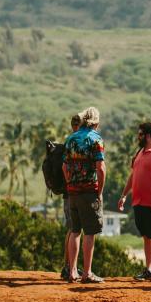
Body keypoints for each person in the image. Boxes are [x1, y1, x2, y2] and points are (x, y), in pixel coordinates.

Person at [117, 120, 151, 281]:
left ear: (147, 135)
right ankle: (148, 269)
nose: (137, 137)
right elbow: (133, 176)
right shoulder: (139, 153)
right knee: (146, 236)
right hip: (138, 202)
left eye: (140, 134)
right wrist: (124, 195)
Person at [63, 106, 106, 283]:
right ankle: (87, 273)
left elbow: (64, 166)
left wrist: (70, 183)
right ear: (96, 122)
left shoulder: (71, 138)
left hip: (73, 191)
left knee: (75, 231)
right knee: (89, 232)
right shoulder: (95, 139)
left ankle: (72, 271)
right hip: (89, 190)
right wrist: (100, 192)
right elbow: (101, 168)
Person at [61, 113, 81, 280]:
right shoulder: (74, 141)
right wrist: (70, 185)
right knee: (74, 229)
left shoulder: (70, 140)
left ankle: (69, 266)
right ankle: (69, 267)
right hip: (73, 191)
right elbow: (64, 166)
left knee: (72, 228)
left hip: (70, 191)